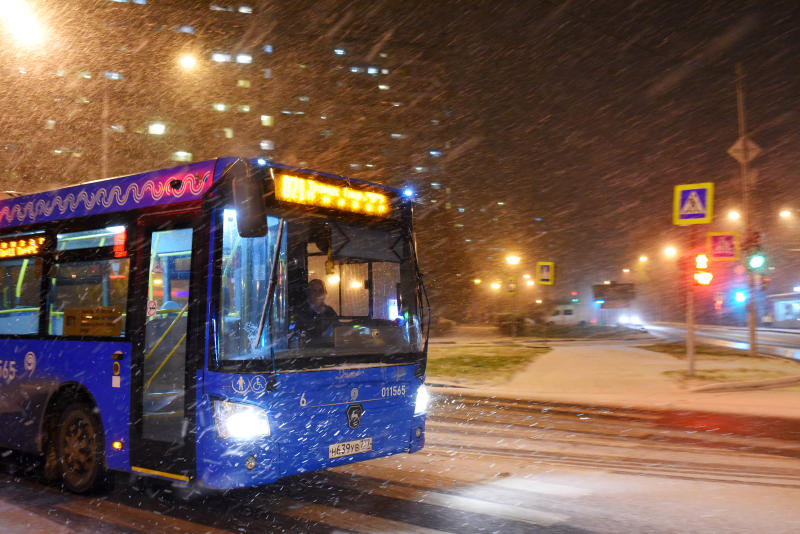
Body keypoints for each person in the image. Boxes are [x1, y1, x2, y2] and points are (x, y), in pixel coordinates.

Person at [291, 278, 338, 345]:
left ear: (325, 293)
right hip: (309, 352)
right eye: (314, 291)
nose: (318, 294)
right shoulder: (300, 311)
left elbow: (337, 329)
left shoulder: (330, 311)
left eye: (320, 291)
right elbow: (298, 335)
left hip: (329, 351)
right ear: (308, 292)